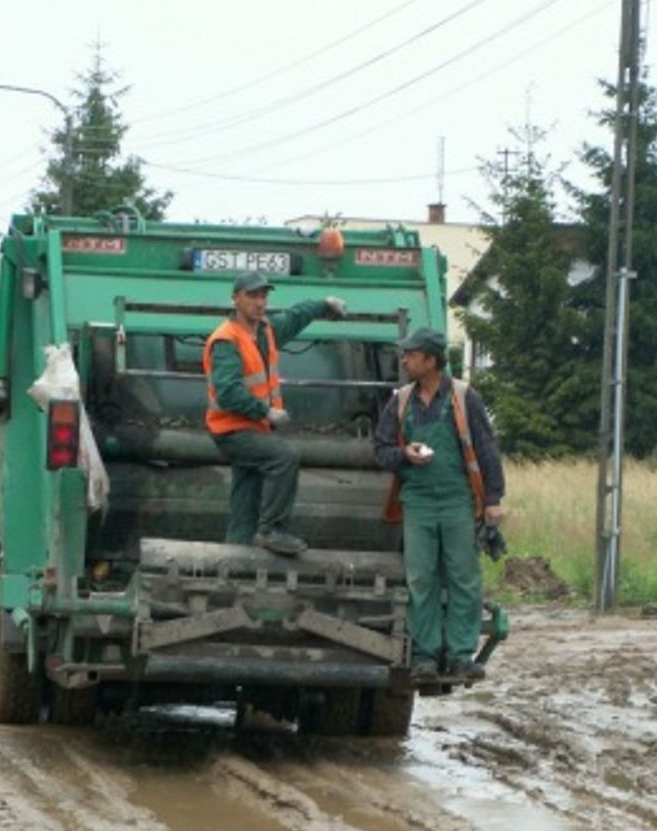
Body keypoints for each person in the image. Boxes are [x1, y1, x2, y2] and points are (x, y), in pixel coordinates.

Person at [373, 327, 505, 680]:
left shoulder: (464, 397)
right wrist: (404, 454)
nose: (404, 360)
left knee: (464, 576)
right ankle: (425, 657)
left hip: (457, 500)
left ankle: (461, 654)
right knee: (421, 578)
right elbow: (381, 451)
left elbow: (488, 449)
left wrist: (493, 500)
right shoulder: (400, 400)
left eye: (411, 355)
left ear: (431, 361)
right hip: (417, 502)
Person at [203, 271, 345, 556]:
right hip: (232, 430)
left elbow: (294, 316)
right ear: (235, 298)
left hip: (255, 429)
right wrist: (265, 411)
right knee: (284, 457)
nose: (259, 302)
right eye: (252, 295)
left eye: (263, 295)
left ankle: (235, 557)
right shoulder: (227, 340)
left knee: (247, 497)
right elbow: (229, 392)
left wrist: (323, 304)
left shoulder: (264, 331)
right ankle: (272, 531)